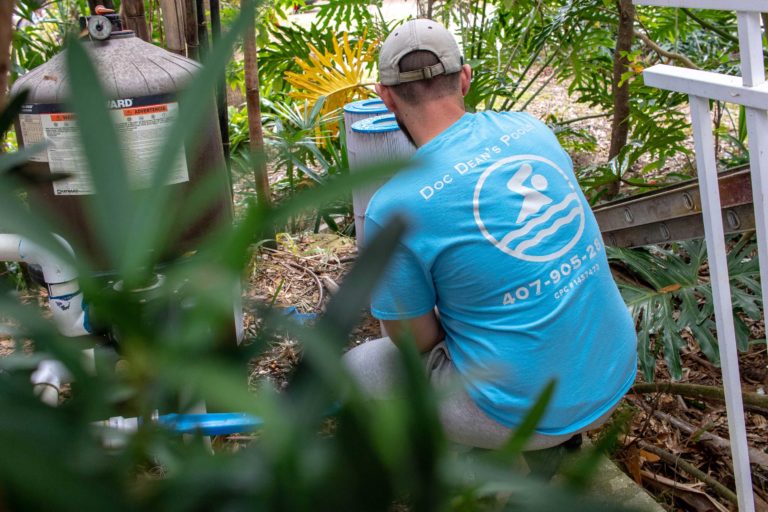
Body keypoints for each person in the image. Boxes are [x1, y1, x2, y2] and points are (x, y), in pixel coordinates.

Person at [343, 19, 637, 451]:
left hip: (524, 414)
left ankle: (458, 468)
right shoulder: (532, 128)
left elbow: (415, 342)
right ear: (464, 78)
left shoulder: (392, 207)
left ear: (386, 97)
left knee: (358, 368)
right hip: (613, 371)